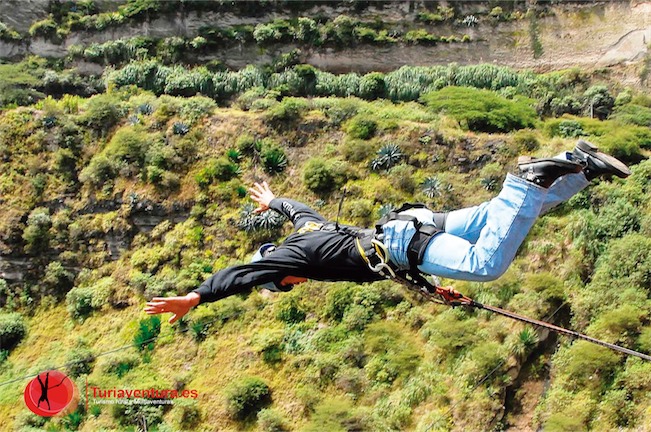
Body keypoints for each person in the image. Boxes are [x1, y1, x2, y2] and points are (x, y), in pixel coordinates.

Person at [145, 140, 630, 323]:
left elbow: (243, 274)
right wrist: (274, 202)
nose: (287, 286)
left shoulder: (290, 262)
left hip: (407, 244)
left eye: (281, 285)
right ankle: (579, 167)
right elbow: (299, 209)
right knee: (505, 215)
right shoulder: (307, 230)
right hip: (414, 223)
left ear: (281, 273)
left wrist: (197, 297)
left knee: (488, 263)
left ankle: (529, 176)